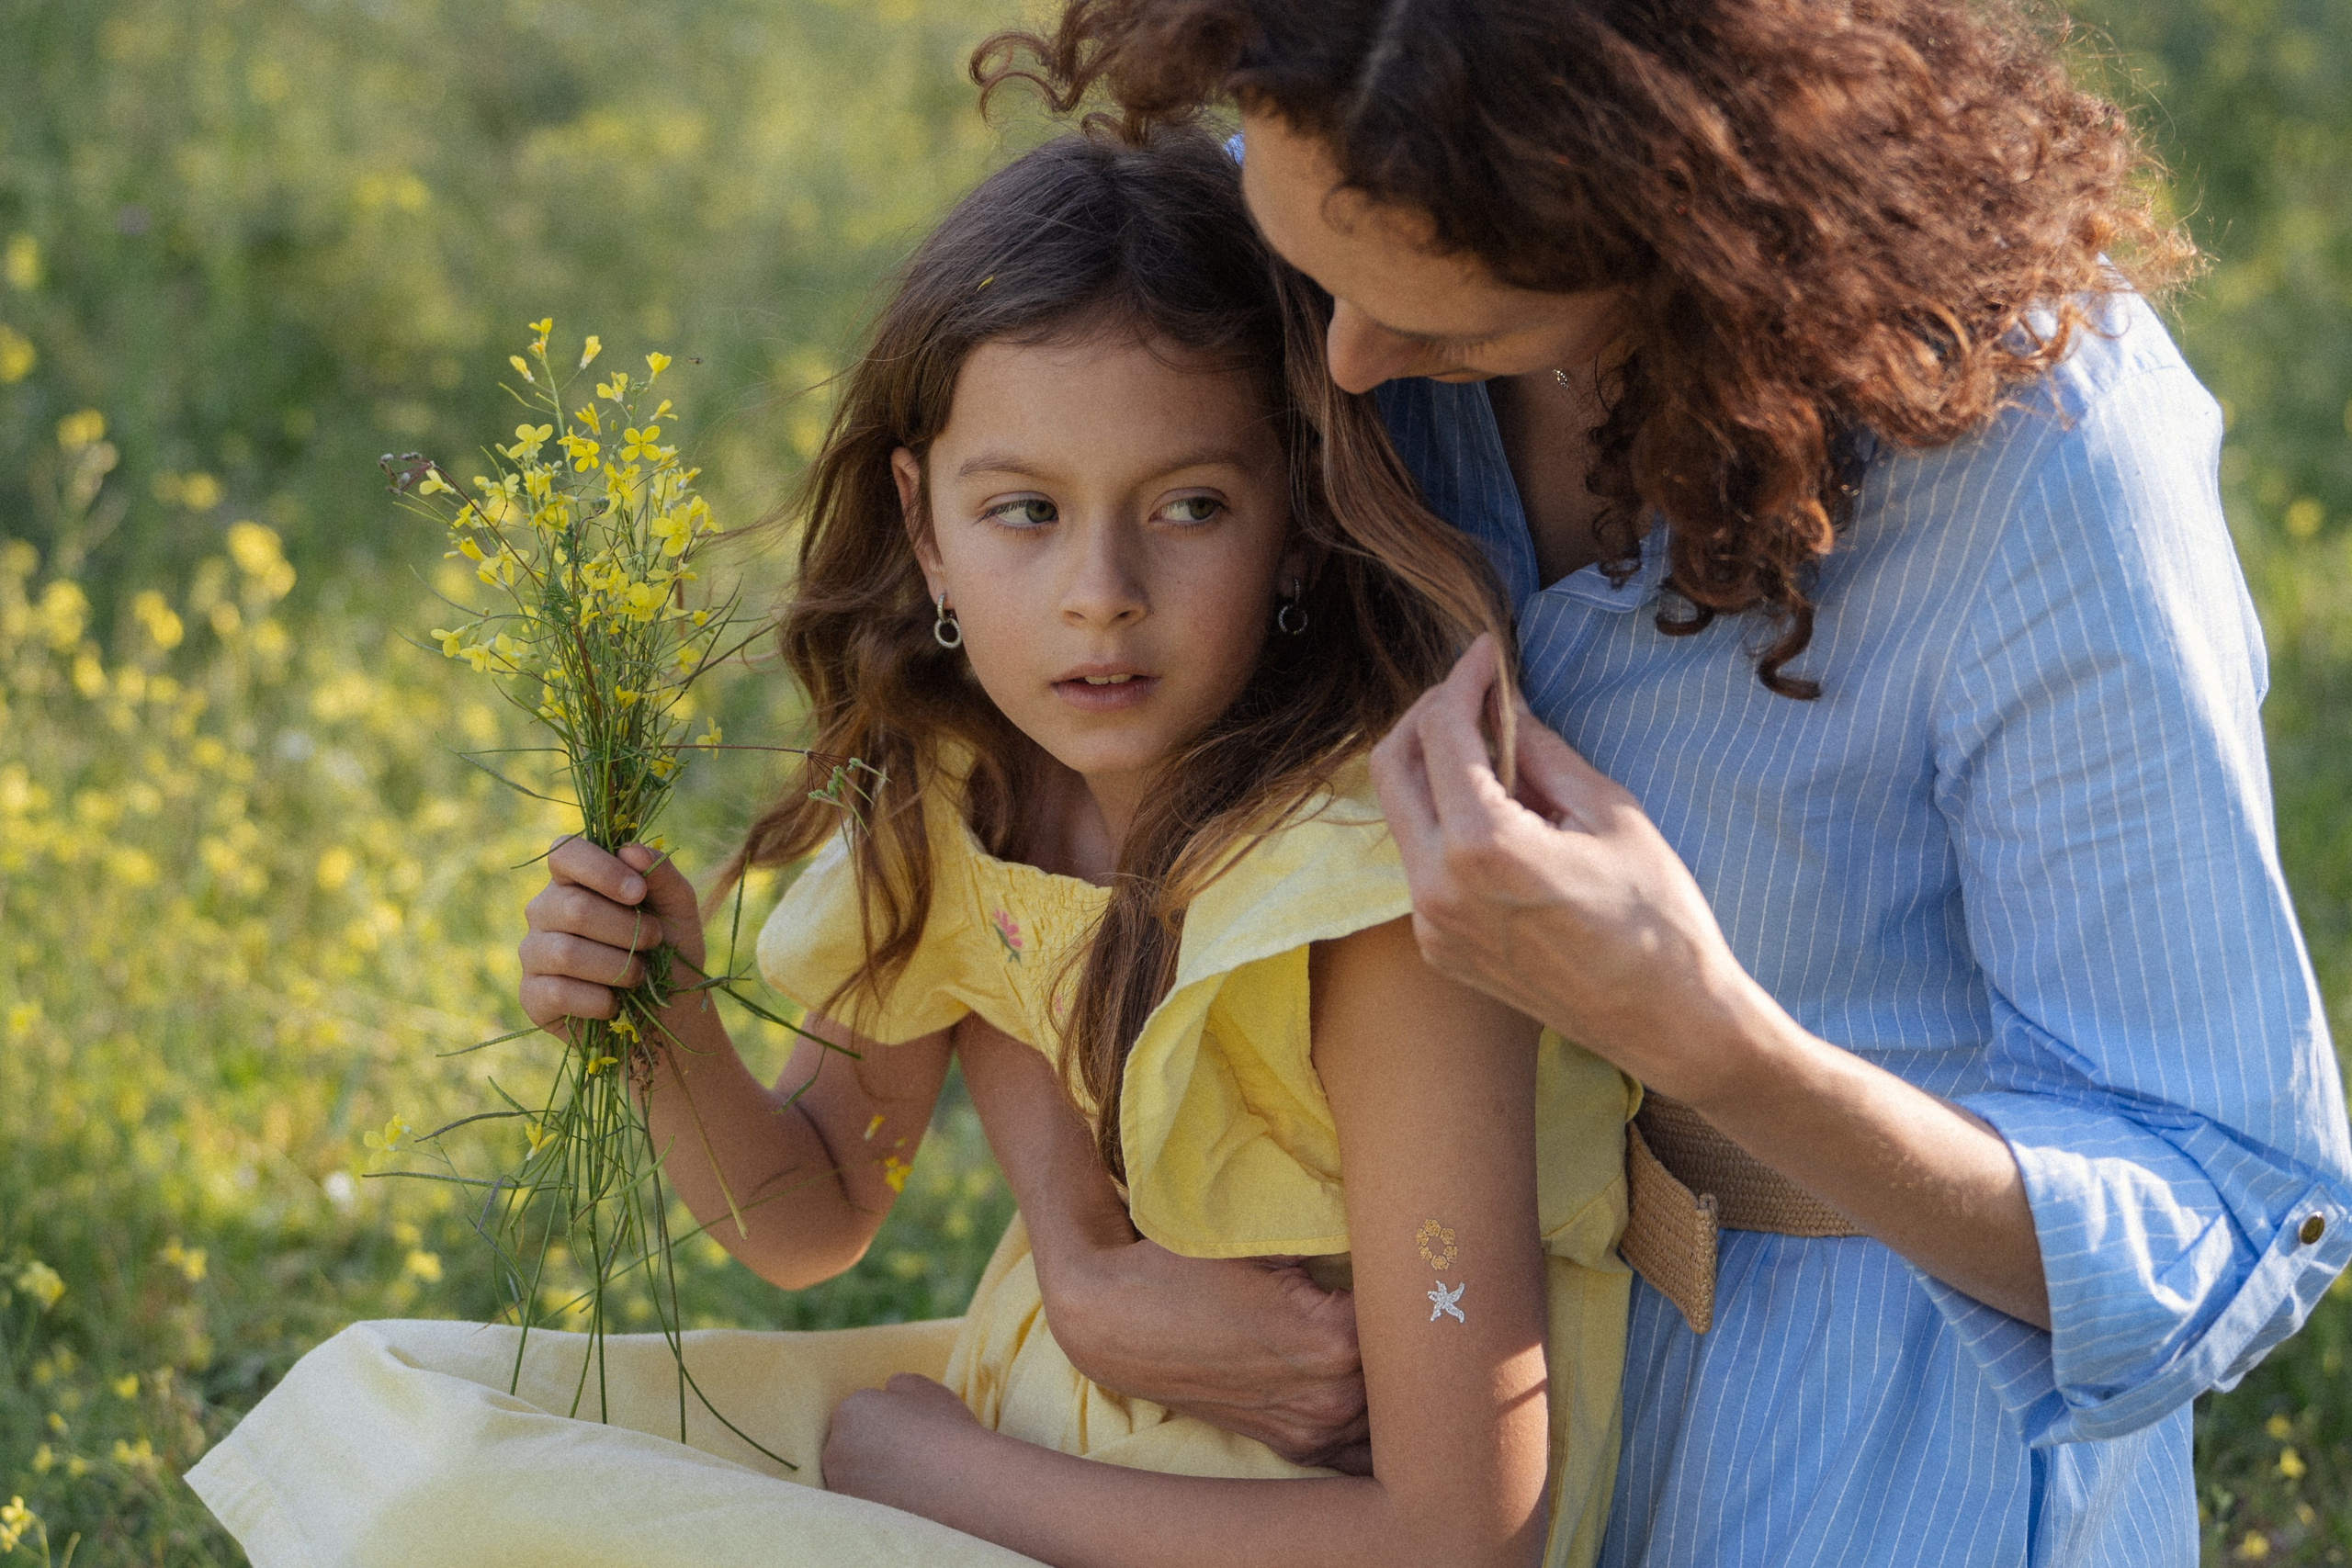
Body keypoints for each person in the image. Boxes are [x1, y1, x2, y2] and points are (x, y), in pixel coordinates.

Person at [970, 4, 2352, 1564]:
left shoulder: (2043, 460)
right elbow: (977, 743)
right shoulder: (1342, 175)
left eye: (1452, 328)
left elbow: (2224, 1212)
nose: (1343, 363)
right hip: (1384, 1414)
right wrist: (1080, 1250)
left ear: (1681, 226)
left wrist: (1714, 1043)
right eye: (1319, 273)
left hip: (1855, 1454)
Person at [187, 126, 1644, 1568]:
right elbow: (815, 1208)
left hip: (1186, 1524)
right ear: (924, 524)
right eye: (1025, 512)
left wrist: (933, 1475)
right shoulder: (958, 802)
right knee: (407, 1431)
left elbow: (1463, 1539)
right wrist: (662, 1021)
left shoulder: (1371, 902)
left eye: (1190, 507)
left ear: (1300, 522)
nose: (1100, 593)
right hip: (1030, 1447)